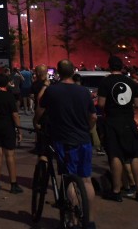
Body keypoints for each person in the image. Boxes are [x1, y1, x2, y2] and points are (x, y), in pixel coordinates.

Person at [36, 59, 97, 229]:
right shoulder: (84, 92)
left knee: (68, 178)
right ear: (73, 72)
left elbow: (41, 107)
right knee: (86, 180)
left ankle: (74, 219)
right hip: (83, 139)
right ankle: (90, 221)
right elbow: (92, 117)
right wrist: (88, 128)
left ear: (58, 72)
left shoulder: (53, 91)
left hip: (64, 139)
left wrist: (36, 121)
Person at [97, 55, 138, 202]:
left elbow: (101, 104)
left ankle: (116, 191)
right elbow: (137, 104)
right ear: (122, 66)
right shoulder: (131, 82)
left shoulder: (106, 82)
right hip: (129, 122)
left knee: (115, 155)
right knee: (134, 156)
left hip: (113, 121)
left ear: (110, 66)